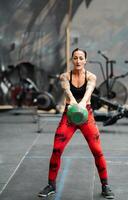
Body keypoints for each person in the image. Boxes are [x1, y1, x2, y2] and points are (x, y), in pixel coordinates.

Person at [38, 48, 115, 199]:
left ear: (85, 60)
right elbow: (68, 92)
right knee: (56, 149)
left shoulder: (91, 76)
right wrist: (75, 104)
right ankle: (51, 185)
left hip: (86, 115)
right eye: (75, 58)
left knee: (97, 151)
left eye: (81, 58)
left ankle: (105, 186)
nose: (78, 61)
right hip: (70, 116)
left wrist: (83, 104)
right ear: (72, 60)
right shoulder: (65, 76)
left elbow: (89, 91)